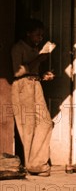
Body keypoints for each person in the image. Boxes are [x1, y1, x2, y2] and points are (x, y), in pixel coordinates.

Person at [11, 18, 55, 177]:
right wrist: (39, 58)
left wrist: (44, 76)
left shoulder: (35, 49)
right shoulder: (18, 48)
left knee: (45, 122)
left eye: (41, 36)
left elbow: (33, 70)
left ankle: (36, 163)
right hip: (23, 86)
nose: (39, 38)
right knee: (27, 126)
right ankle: (34, 165)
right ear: (28, 33)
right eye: (37, 35)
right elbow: (17, 72)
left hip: (35, 84)